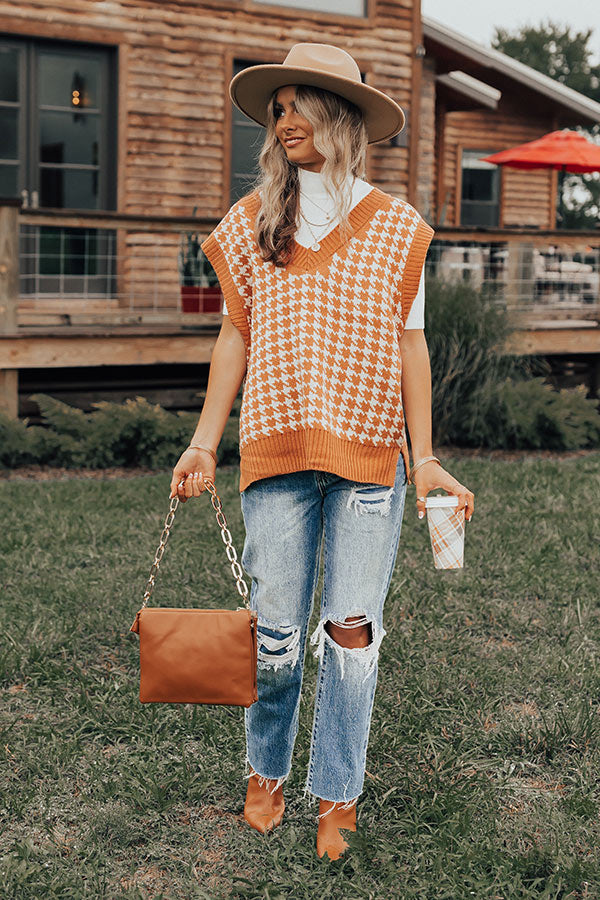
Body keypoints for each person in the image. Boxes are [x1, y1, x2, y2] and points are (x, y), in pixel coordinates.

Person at [169, 43, 474, 861]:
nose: (284, 121)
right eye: (278, 109)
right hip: (275, 457)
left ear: (341, 117)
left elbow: (411, 346)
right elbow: (234, 336)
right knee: (274, 636)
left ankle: (337, 791)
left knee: (351, 631)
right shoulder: (253, 221)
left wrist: (426, 457)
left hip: (370, 461)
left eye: (299, 105)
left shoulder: (397, 228)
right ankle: (265, 770)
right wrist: (203, 442)